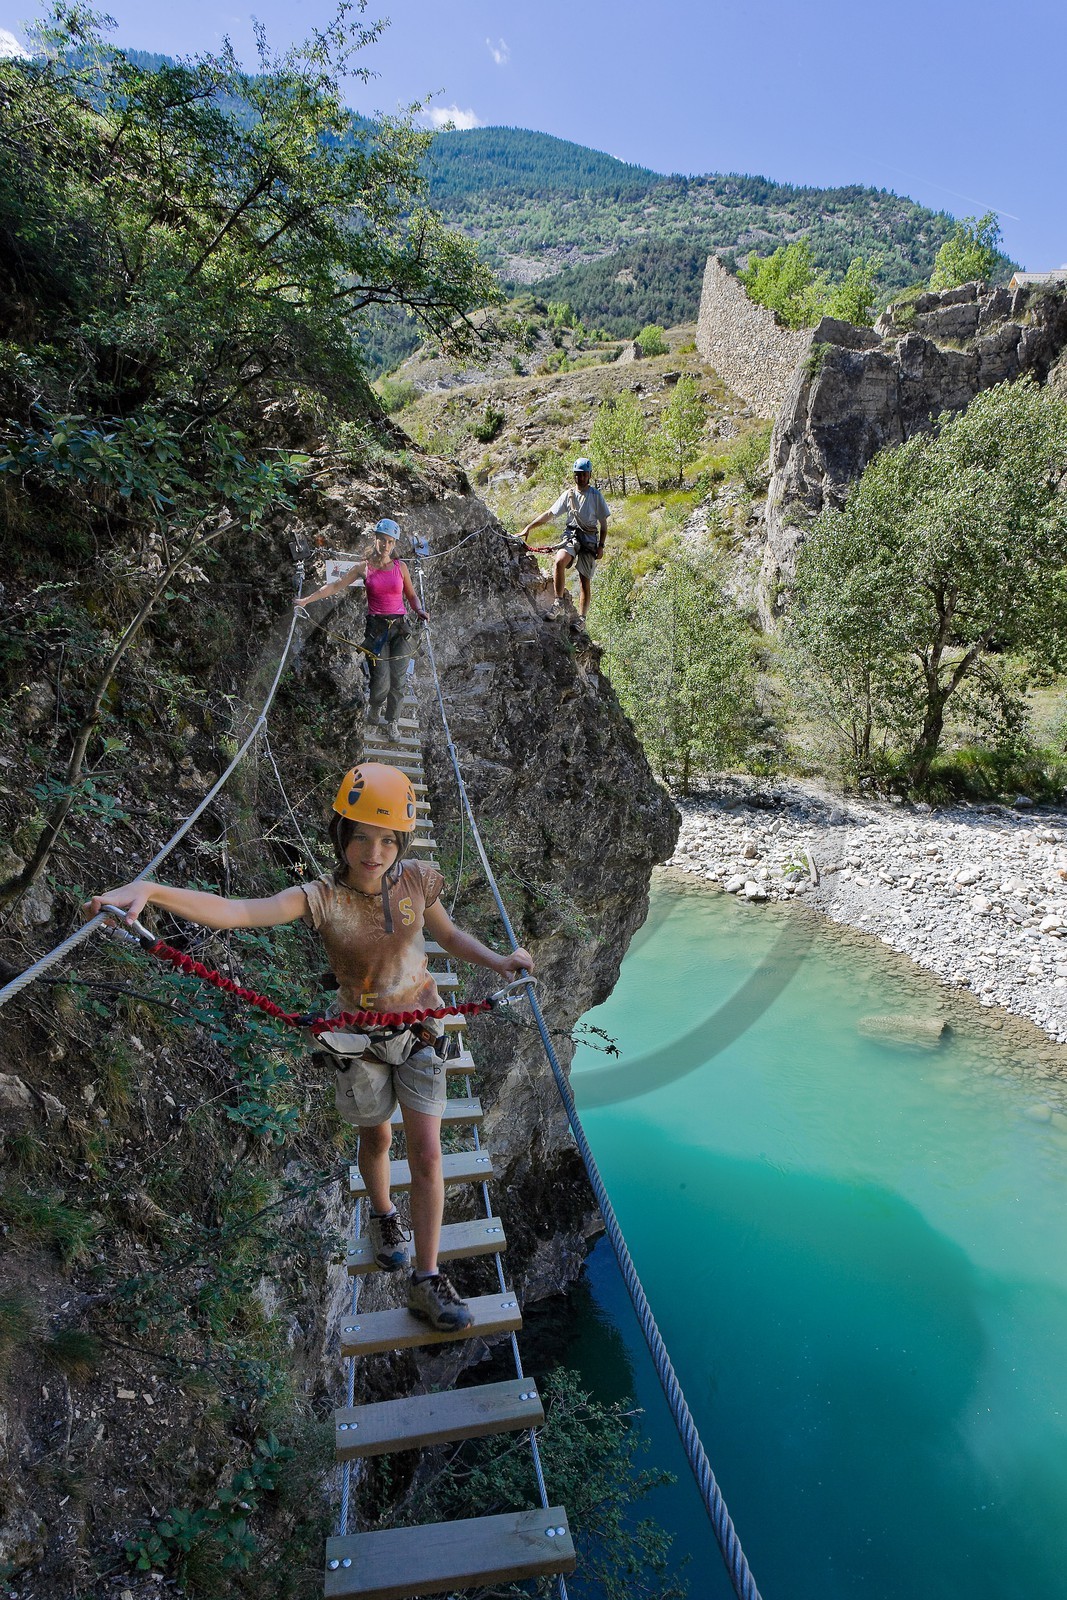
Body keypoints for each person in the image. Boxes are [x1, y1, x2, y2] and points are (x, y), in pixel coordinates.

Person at [84, 763, 534, 1333]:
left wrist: (499, 961)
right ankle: (383, 1213)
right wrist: (150, 891)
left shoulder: (419, 880)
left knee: (427, 1152)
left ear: (401, 843)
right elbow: (242, 912)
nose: (373, 852)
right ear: (341, 837)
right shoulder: (320, 898)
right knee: (377, 1137)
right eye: (361, 837)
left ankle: (425, 1279)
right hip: (359, 1039)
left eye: (386, 840)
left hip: (421, 1029)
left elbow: (445, 936)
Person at [295, 518, 428, 742]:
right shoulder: (363, 567)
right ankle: (375, 706)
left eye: (390, 541)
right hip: (376, 630)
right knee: (381, 680)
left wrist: (419, 610)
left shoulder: (400, 567)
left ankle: (392, 721)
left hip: (400, 628)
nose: (386, 545)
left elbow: (411, 595)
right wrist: (307, 600)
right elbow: (336, 586)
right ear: (375, 539)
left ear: (394, 544)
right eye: (382, 540)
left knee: (399, 679)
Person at [520, 458, 610, 620]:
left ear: (589, 475)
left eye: (584, 475)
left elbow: (603, 524)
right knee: (559, 561)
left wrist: (601, 545)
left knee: (584, 580)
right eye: (578, 475)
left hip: (589, 540)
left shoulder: (596, 496)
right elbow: (549, 514)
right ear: (574, 475)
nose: (581, 478)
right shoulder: (568, 495)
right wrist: (529, 527)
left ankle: (582, 619)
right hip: (572, 536)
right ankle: (558, 603)